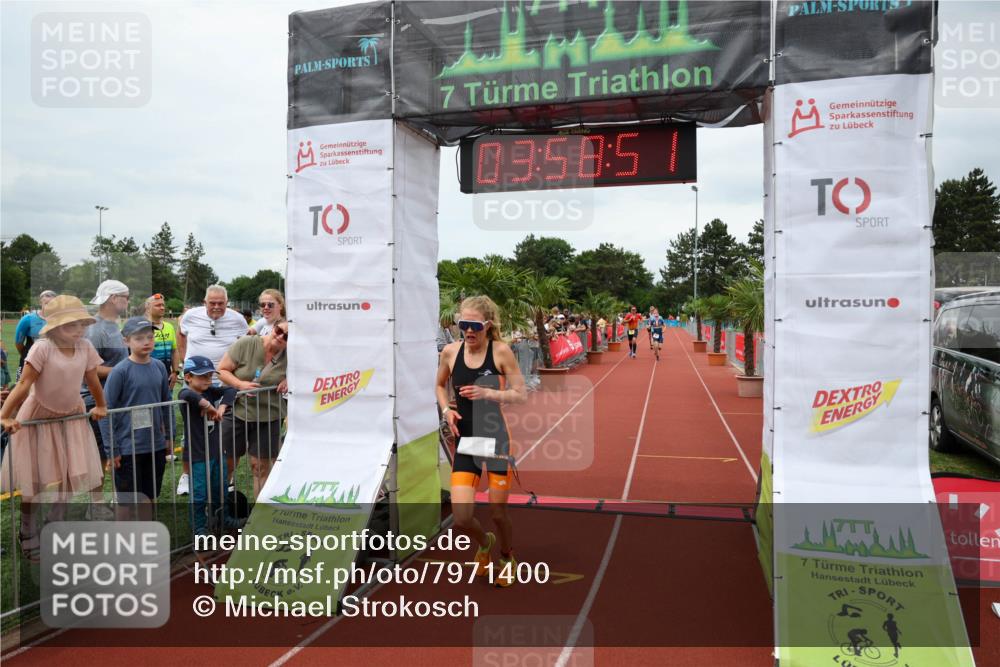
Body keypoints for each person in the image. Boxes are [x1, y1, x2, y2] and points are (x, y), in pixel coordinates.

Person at [0, 296, 107, 561]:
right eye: (72, 325)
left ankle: (54, 519)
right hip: (38, 416)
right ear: (55, 327)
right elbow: (24, 385)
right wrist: (4, 415)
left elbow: (92, 378)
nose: (79, 330)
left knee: (73, 473)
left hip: (72, 416)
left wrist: (101, 405)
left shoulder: (85, 347)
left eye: (82, 324)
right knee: (33, 479)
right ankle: (27, 529)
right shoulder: (41, 348)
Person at [436, 296, 527, 588]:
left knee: (499, 513)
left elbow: (520, 393)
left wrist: (490, 394)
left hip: (495, 439)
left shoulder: (500, 352)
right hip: (467, 441)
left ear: (487, 325)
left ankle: (507, 554)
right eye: (464, 325)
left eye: (475, 325)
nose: (469, 331)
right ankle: (484, 542)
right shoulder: (450, 352)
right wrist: (447, 410)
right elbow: (439, 385)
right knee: (462, 517)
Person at [175, 285, 247, 496]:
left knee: (226, 433)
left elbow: (242, 345)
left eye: (221, 303)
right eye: (212, 303)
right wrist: (184, 360)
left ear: (227, 302)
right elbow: (181, 334)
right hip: (195, 383)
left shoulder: (238, 320)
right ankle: (187, 476)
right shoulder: (190, 316)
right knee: (191, 433)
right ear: (204, 302)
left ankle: (227, 478)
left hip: (223, 383)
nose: (216, 307)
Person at [103, 317, 173, 519]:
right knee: (126, 501)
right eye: (139, 338)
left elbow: (166, 402)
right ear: (126, 341)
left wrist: (169, 435)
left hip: (155, 446)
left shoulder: (159, 367)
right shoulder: (120, 371)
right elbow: (106, 411)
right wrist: (112, 449)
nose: (146, 342)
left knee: (150, 496)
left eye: (150, 337)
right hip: (127, 448)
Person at [178, 355, 242, 557]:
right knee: (199, 494)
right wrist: (207, 405)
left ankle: (223, 518)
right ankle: (200, 530)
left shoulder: (211, 390)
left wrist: (222, 406)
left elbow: (231, 389)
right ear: (188, 377)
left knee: (220, 487)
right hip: (197, 455)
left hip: (216, 452)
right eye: (202, 377)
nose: (208, 381)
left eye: (209, 376)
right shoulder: (187, 394)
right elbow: (186, 394)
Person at [217, 320, 288, 499]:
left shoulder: (292, 355)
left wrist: (290, 379)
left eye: (286, 336)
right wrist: (239, 384)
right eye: (279, 330)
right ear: (274, 327)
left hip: (269, 416)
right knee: (228, 463)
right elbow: (222, 370)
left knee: (260, 467)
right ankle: (218, 511)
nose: (280, 337)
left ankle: (259, 516)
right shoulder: (246, 343)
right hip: (237, 411)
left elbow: (309, 373)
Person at [82, 280, 130, 483]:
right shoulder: (95, 329)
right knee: (99, 457)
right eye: (126, 298)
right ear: (113, 298)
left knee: (117, 452)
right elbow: (88, 369)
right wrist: (124, 371)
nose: (128, 302)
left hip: (115, 399)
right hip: (96, 401)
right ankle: (97, 506)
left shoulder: (113, 326)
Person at [13, 290, 58, 378]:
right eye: (46, 303)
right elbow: (18, 343)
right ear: (40, 302)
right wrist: (27, 354)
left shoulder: (60, 320)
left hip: (52, 360)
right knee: (23, 386)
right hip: (28, 359)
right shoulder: (28, 319)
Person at [145, 294, 181, 390]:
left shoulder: (169, 327)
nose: (162, 308)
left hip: (167, 376)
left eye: (163, 305)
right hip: (147, 377)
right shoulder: (143, 327)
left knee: (167, 404)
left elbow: (174, 351)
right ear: (148, 308)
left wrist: (175, 372)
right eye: (157, 305)